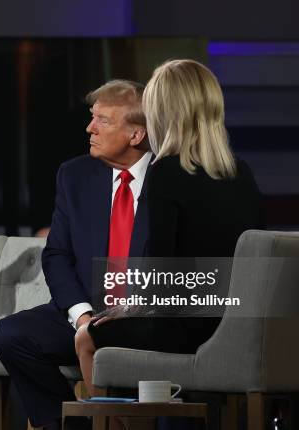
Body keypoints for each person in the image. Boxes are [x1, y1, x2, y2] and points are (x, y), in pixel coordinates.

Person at [75, 59, 263, 395]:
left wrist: (131, 307)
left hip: (187, 329)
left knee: (87, 338)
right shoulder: (243, 173)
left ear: (163, 113)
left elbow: (161, 274)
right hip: (239, 330)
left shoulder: (166, 172)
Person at [0, 80, 151, 430]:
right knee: (13, 335)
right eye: (91, 117)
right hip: (89, 312)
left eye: (102, 121)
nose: (89, 128)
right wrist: (82, 316)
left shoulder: (170, 178)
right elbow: (57, 254)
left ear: (136, 135)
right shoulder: (75, 174)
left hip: (145, 317)